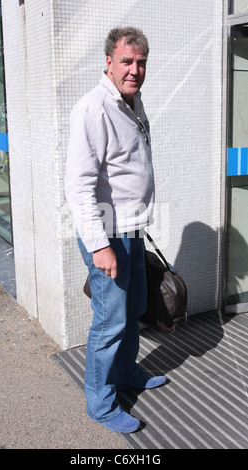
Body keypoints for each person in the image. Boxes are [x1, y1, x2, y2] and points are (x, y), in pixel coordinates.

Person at [65, 26, 166, 434]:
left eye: (141, 62)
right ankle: (101, 403)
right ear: (108, 62)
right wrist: (99, 246)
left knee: (133, 308)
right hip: (107, 234)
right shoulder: (93, 108)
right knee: (109, 322)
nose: (135, 70)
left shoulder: (132, 101)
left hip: (131, 228)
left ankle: (126, 375)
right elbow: (78, 186)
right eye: (127, 61)